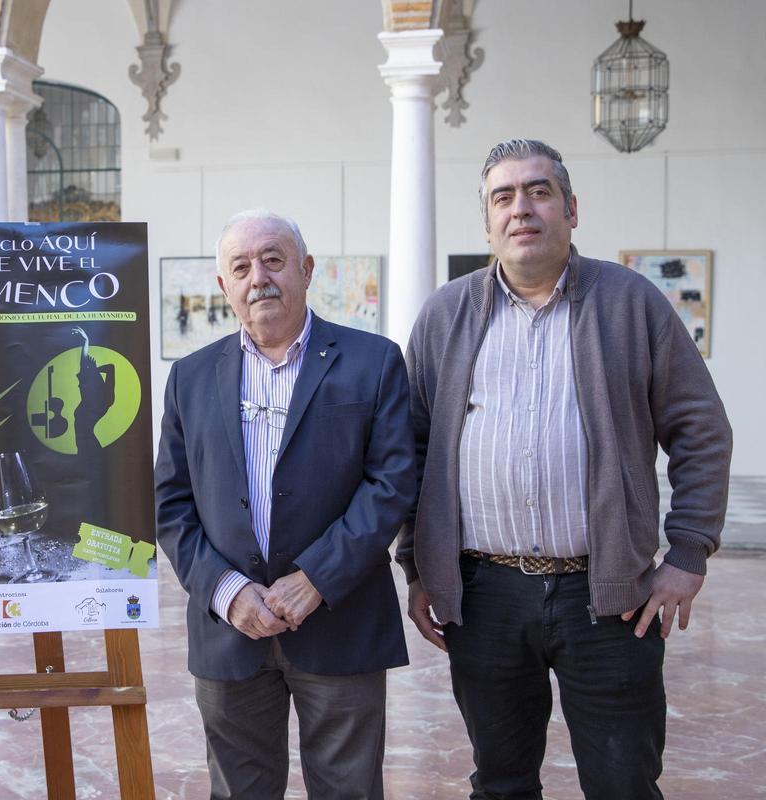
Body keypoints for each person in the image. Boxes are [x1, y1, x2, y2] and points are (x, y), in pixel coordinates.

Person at [399, 138, 733, 799]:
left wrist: (688, 552)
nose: (521, 208)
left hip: (609, 599)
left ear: (571, 209)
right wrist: (417, 565)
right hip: (484, 595)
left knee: (623, 784)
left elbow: (702, 429)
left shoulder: (631, 304)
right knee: (500, 782)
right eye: (504, 196)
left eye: (538, 191)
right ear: (488, 221)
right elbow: (411, 449)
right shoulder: (445, 315)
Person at [155, 209, 416, 799]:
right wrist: (226, 591)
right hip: (230, 630)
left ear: (306, 269)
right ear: (224, 287)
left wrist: (316, 578)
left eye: (273, 260)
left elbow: (392, 482)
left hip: (339, 620)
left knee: (348, 789)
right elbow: (171, 505)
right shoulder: (190, 378)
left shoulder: (373, 362)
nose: (259, 278)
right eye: (241, 267)